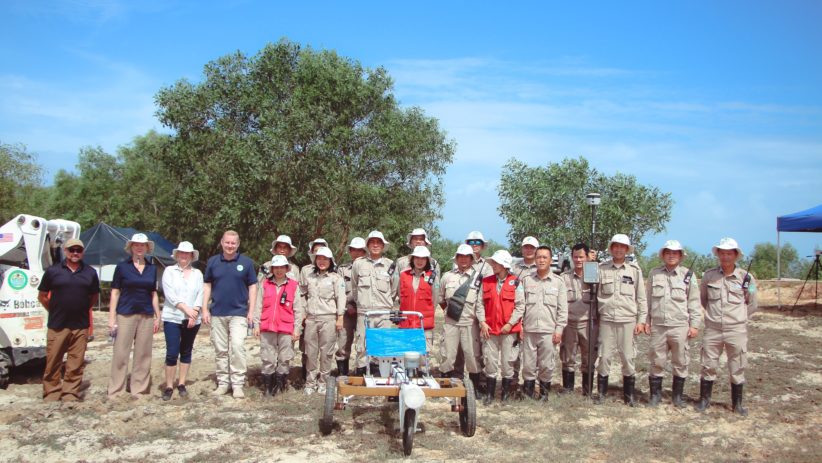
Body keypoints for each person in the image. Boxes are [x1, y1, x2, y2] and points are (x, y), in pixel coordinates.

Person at [696, 238, 757, 416]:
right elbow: (704, 299)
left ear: (736, 255)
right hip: (713, 328)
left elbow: (752, 303)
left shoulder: (746, 277)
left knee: (737, 365)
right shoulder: (709, 276)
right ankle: (704, 401)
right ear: (718, 255)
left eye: (729, 253)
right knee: (708, 364)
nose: (725, 256)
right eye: (722, 253)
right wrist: (715, 316)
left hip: (736, 329)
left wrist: (739, 319)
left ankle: (737, 404)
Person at [37, 238, 99, 403]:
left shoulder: (90, 273)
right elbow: (42, 296)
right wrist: (55, 309)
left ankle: (70, 393)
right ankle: (52, 392)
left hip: (80, 325)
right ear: (65, 251)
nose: (75, 253)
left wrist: (81, 308)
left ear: (82, 252)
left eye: (78, 250)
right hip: (58, 325)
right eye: (72, 250)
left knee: (76, 362)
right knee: (53, 361)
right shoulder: (53, 271)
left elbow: (93, 297)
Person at [202, 230, 258, 399]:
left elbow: (253, 287)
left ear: (238, 244)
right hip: (217, 312)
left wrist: (251, 311)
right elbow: (207, 286)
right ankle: (223, 383)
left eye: (233, 243)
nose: (230, 246)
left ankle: (238, 384)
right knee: (220, 350)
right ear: (222, 242)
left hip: (239, 313)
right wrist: (204, 308)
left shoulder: (246, 263)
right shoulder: (212, 262)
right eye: (227, 242)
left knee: (237, 347)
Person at [645, 240, 701, 407]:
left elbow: (694, 302)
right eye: (668, 252)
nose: (671, 255)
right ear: (663, 255)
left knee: (681, 361)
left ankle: (677, 397)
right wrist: (646, 321)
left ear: (681, 256)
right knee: (657, 360)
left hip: (679, 326)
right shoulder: (654, 274)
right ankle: (655, 396)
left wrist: (694, 325)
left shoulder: (688, 275)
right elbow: (647, 300)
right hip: (659, 326)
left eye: (675, 253)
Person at [595, 234, 647, 406]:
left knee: (628, 357)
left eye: (622, 247)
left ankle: (629, 396)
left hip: (627, 320)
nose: (618, 249)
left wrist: (641, 320)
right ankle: (601, 394)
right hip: (607, 320)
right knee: (604, 357)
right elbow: (593, 293)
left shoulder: (634, 271)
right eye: (615, 246)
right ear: (611, 249)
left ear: (627, 250)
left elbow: (641, 298)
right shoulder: (601, 269)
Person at [107, 233, 161, 398]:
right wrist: (111, 318)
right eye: (136, 245)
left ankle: (139, 389)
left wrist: (158, 315)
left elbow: (153, 294)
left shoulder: (152, 268)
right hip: (125, 314)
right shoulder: (122, 267)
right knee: (121, 353)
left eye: (142, 245)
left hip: (146, 314)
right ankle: (116, 390)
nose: (139, 247)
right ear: (131, 247)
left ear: (147, 248)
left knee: (143, 353)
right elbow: (115, 293)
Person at [520, 246, 568, 400]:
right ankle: (528, 393)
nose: (541, 260)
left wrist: (559, 330)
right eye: (538, 257)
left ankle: (544, 394)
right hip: (529, 329)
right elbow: (520, 306)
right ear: (535, 259)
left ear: (550, 260)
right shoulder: (526, 281)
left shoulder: (558, 282)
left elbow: (562, 309)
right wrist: (520, 326)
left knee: (546, 365)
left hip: (548, 331)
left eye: (544, 257)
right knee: (528, 364)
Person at [253, 255, 304, 397]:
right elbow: (258, 305)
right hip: (267, 326)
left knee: (284, 357)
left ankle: (280, 384)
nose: (279, 270)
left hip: (286, 327)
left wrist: (296, 328)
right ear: (272, 269)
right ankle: (268, 387)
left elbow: (298, 310)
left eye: (282, 267)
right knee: (267, 357)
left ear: (287, 269)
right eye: (276, 267)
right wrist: (256, 324)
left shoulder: (293, 285)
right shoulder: (265, 284)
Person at [478, 250, 524, 404]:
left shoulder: (516, 282)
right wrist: (482, 322)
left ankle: (504, 395)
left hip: (508, 330)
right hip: (490, 329)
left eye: (496, 263)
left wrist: (510, 323)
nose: (493, 266)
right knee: (490, 361)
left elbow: (520, 306)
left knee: (507, 362)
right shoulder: (486, 281)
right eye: (493, 263)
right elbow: (479, 304)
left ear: (505, 265)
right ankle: (490, 395)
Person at [439, 244, 485, 397]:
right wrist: (450, 312)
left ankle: (475, 387)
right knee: (448, 355)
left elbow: (481, 302)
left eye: (467, 257)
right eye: (461, 256)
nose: (464, 259)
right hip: (451, 323)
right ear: (456, 258)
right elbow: (441, 299)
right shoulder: (447, 276)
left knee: (472, 356)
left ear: (472, 259)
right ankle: (446, 386)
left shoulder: (478, 278)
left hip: (470, 323)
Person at [160, 241, 204, 401]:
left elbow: (201, 293)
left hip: (193, 318)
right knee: (172, 352)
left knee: (186, 351)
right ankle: (169, 385)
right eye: (182, 253)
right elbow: (170, 295)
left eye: (187, 254)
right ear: (177, 255)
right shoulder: (169, 271)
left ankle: (182, 383)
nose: (184, 256)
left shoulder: (198, 274)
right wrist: (188, 311)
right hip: (173, 317)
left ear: (192, 256)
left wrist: (195, 313)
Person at [350, 230, 398, 375]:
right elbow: (354, 286)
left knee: (382, 343)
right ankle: (361, 371)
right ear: (367, 245)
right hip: (364, 312)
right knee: (362, 344)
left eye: (379, 243)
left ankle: (380, 373)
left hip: (383, 313)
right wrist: (361, 304)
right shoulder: (359, 264)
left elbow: (394, 288)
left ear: (383, 246)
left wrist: (386, 304)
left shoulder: (390, 265)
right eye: (372, 242)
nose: (375, 245)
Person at [302, 247, 346, 394]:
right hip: (311, 319)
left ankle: (323, 382)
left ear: (330, 261)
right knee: (311, 352)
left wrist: (340, 318)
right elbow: (302, 295)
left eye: (325, 259)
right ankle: (310, 382)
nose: (321, 262)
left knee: (326, 352)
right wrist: (303, 312)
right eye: (319, 259)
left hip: (328, 319)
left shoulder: (336, 278)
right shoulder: (309, 277)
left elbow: (341, 298)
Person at [560, 243, 596, 395]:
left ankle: (587, 391)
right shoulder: (564, 277)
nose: (578, 260)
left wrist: (593, 265)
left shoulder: (593, 275)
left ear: (587, 257)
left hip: (588, 323)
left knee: (589, 358)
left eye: (581, 256)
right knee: (568, 357)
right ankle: (568, 389)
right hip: (570, 323)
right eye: (575, 257)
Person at [397, 246, 440, 356]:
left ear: (427, 260)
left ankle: (421, 372)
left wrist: (427, 312)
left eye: (423, 258)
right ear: (412, 259)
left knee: (423, 358)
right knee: (407, 355)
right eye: (417, 258)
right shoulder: (403, 275)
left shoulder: (433, 277)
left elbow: (435, 299)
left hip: (424, 324)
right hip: (407, 322)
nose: (420, 261)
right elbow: (400, 295)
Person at [335, 237, 366, 376]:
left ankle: (363, 373)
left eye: (361, 250)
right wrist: (348, 306)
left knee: (364, 343)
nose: (358, 252)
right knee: (343, 343)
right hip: (347, 311)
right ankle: (343, 374)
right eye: (354, 250)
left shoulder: (368, 268)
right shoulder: (342, 269)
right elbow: (339, 290)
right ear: (350, 251)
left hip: (364, 311)